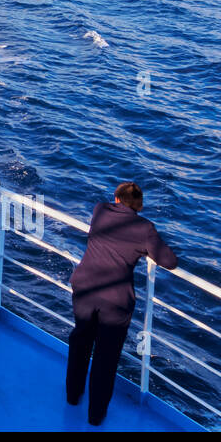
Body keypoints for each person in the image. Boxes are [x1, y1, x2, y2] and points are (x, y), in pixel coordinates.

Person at [66, 181, 179, 426]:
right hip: (115, 301)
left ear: (116, 200)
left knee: (80, 342)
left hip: (85, 288)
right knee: (105, 358)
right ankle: (95, 416)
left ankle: (72, 396)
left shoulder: (100, 210)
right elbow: (169, 261)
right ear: (139, 206)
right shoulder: (145, 228)